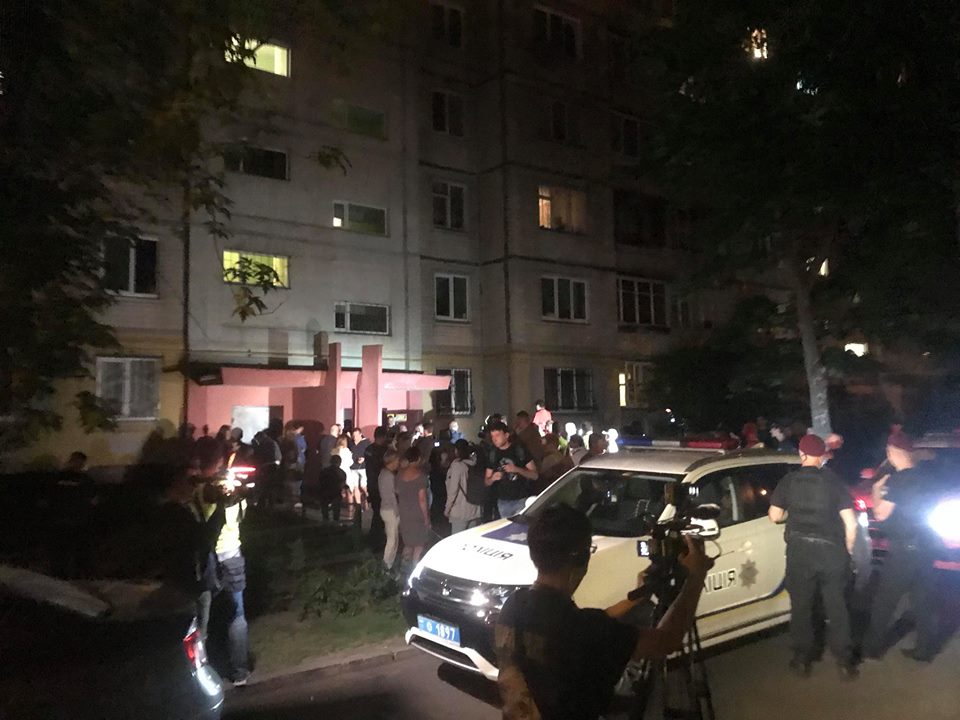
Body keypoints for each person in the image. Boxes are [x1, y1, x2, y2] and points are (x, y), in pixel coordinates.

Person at [495, 504, 712, 720]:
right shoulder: (584, 628)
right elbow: (667, 640)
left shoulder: (513, 605)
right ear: (580, 557)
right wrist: (696, 576)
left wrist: (633, 599)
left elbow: (584, 627)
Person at [767, 434, 859, 679]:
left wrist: (793, 515)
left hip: (800, 552)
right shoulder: (833, 481)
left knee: (801, 607)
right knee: (837, 607)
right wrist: (848, 550)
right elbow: (851, 523)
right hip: (832, 553)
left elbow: (775, 516)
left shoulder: (789, 481)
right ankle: (844, 662)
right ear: (822, 456)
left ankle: (802, 659)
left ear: (801, 454)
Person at [862, 431, 942, 662]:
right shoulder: (927, 478)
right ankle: (925, 649)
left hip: (903, 551)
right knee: (923, 600)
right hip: (926, 546)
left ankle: (872, 648)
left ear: (893, 452)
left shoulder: (897, 481)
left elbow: (880, 513)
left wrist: (876, 490)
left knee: (884, 601)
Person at [193, 436, 251, 686]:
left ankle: (201, 671)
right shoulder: (232, 491)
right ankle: (239, 672)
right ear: (219, 460)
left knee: (201, 619)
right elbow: (241, 515)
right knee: (236, 613)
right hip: (231, 554)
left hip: (205, 559)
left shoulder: (197, 490)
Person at [484, 421, 538, 519]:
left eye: (497, 435)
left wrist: (517, 469)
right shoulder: (493, 454)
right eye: (492, 436)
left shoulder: (519, 450)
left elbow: (535, 475)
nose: (495, 439)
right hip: (503, 501)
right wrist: (492, 478)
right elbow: (486, 481)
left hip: (521, 499)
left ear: (506, 435)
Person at [396, 447, 430, 566]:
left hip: (404, 512)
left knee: (408, 543)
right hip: (417, 513)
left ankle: (404, 566)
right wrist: (426, 518)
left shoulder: (400, 475)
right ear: (418, 458)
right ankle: (415, 567)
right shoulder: (421, 476)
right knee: (419, 544)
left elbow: (397, 491)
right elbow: (422, 499)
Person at [445, 439, 481, 533]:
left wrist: (447, 508)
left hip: (460, 510)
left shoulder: (457, 466)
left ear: (456, 450)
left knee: (458, 539)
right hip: (475, 508)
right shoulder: (475, 464)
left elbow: (453, 490)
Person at [364, 426, 390, 547]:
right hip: (381, 484)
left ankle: (374, 537)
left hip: (372, 484)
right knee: (380, 513)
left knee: (376, 512)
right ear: (383, 436)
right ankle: (377, 539)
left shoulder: (368, 449)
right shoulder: (383, 450)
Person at [378, 450, 401, 569]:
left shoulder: (383, 473)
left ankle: (389, 563)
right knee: (392, 539)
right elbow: (391, 495)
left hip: (385, 508)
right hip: (390, 510)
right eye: (397, 460)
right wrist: (397, 510)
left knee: (392, 538)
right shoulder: (389, 476)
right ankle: (387, 563)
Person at [316, 455, 347, 523]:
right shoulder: (342, 473)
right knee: (336, 509)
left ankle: (325, 520)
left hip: (325, 493)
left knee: (325, 508)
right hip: (336, 494)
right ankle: (336, 521)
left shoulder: (324, 471)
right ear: (340, 463)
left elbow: (320, 482)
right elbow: (342, 485)